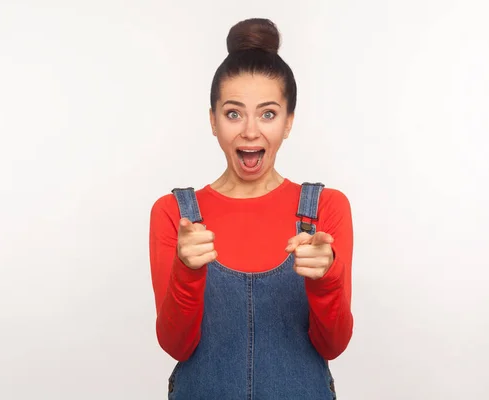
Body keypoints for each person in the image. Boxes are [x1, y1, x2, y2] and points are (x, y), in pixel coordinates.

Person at [149, 18, 353, 400]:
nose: (250, 132)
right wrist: (187, 272)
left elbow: (334, 345)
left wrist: (326, 278)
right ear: (212, 120)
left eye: (268, 113)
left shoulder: (326, 209)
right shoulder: (174, 214)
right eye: (233, 113)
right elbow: (176, 346)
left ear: (289, 122)